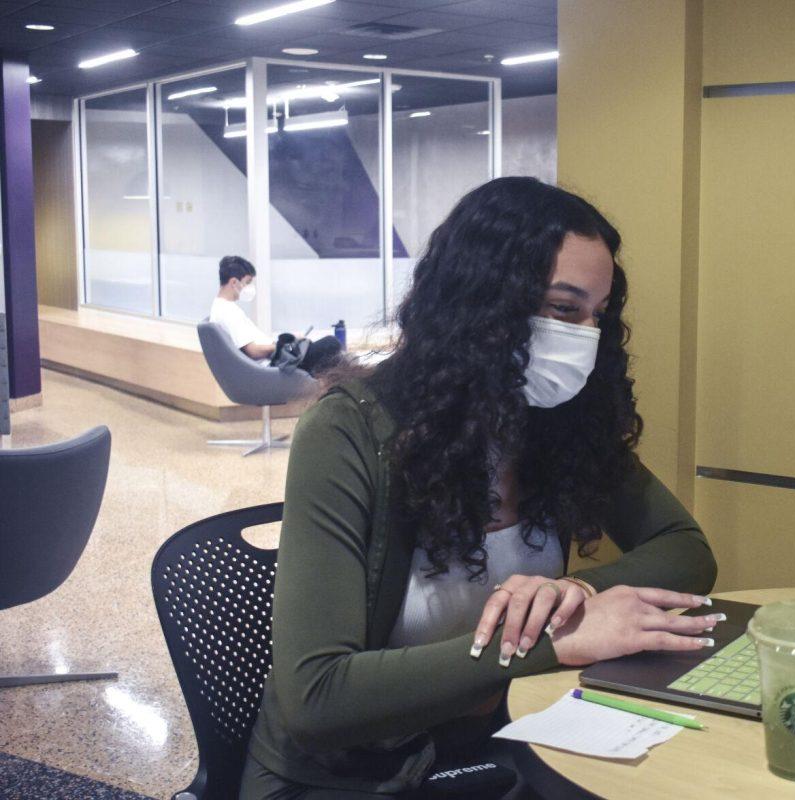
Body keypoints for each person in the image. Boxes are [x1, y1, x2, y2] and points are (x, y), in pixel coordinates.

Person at [239, 178, 720, 798]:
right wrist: (558, 638)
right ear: (481, 304)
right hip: (347, 777)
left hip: (489, 749)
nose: (585, 335)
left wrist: (571, 592)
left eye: (597, 314)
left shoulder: (557, 420)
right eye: (564, 308)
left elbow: (686, 549)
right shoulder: (349, 430)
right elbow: (318, 698)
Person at [210, 255, 344, 376]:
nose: (249, 287)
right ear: (234, 282)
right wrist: (284, 345)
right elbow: (254, 351)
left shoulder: (221, 308)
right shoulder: (228, 312)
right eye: (248, 282)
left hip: (274, 360)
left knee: (337, 362)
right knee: (331, 344)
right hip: (275, 365)